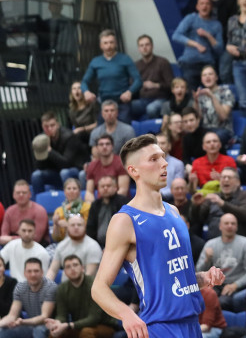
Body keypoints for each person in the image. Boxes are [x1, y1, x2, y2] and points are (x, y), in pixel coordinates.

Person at [91, 134, 225, 338]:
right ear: (133, 171)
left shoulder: (173, 211)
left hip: (191, 324)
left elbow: (174, 279)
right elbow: (99, 288)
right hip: (159, 328)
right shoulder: (125, 221)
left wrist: (203, 278)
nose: (164, 163)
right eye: (153, 159)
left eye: (162, 157)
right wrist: (126, 314)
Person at [45, 255, 117, 338]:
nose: (72, 269)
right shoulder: (62, 288)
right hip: (79, 325)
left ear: (82, 268)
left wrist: (68, 325)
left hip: (104, 325)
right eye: (68, 267)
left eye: (75, 265)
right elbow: (62, 315)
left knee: (86, 332)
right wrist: (57, 323)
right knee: (56, 333)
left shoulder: (94, 285)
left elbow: (94, 318)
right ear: (64, 272)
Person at [196, 213, 246, 312]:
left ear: (236, 227)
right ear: (220, 226)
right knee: (200, 299)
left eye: (233, 223)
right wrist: (207, 260)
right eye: (226, 223)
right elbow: (199, 271)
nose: (229, 226)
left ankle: (212, 325)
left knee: (220, 302)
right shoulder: (210, 244)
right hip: (214, 284)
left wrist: (235, 285)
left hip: (235, 285)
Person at [81, 30, 142, 124]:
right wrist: (86, 92)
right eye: (105, 43)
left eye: (111, 42)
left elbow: (138, 80)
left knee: (125, 134)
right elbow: (84, 82)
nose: (108, 46)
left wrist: (130, 92)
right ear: (101, 45)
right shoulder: (95, 62)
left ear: (116, 44)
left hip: (122, 103)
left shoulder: (125, 59)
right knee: (102, 135)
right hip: (104, 104)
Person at [172, 0, 224, 89]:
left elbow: (220, 50)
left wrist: (208, 35)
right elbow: (176, 36)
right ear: (197, 7)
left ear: (211, 7)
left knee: (211, 92)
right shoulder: (191, 18)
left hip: (207, 63)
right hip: (189, 63)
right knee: (193, 94)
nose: (204, 6)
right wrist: (196, 45)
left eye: (207, 4)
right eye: (202, 4)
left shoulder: (216, 25)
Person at [0, 258, 56, 338]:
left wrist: (23, 322)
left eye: (36, 271)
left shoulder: (50, 287)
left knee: (39, 330)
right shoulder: (20, 287)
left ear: (42, 272)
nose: (33, 274)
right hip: (31, 325)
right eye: (29, 271)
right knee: (3, 332)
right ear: (24, 273)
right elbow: (12, 315)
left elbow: (44, 317)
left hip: (50, 325)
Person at [34, 111, 89, 191]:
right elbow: (39, 167)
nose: (49, 129)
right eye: (46, 126)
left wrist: (50, 150)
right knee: (36, 175)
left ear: (58, 125)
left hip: (75, 169)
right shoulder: (41, 139)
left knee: (64, 172)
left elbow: (66, 163)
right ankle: (37, 202)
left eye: (52, 125)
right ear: (42, 126)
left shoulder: (69, 136)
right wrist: (42, 152)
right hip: (55, 172)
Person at [46, 215, 102, 281]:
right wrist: (46, 287)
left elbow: (90, 274)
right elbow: (52, 271)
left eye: (79, 225)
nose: (76, 227)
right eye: (72, 225)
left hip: (87, 288)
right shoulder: (62, 246)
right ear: (68, 228)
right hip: (66, 289)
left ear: (85, 227)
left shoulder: (93, 246)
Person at [207, 0, 238, 84]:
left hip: (226, 42)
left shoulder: (231, 0)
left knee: (224, 73)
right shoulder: (204, 0)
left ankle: (228, 97)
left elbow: (234, 23)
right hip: (208, 43)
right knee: (209, 73)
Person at [132, 34, 173, 119]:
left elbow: (172, 85)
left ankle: (155, 131)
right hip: (142, 99)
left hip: (161, 98)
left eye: (147, 45)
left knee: (151, 109)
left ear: (152, 46)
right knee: (125, 108)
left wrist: (156, 85)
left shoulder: (162, 62)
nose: (144, 48)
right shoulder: (136, 65)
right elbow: (131, 85)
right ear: (139, 49)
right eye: (141, 45)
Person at [193, 66, 235, 145]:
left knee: (212, 139)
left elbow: (223, 116)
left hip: (223, 130)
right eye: (204, 75)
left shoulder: (226, 92)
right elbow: (198, 118)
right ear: (201, 79)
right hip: (205, 129)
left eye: (210, 74)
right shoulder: (201, 95)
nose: (207, 77)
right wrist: (196, 101)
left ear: (216, 77)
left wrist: (212, 96)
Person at [0, 181, 49, 246]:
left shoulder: (40, 211)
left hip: (36, 246)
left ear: (30, 194)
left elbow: (36, 239)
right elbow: (3, 237)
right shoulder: (9, 211)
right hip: (13, 247)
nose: (21, 195)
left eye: (24, 192)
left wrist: (11, 239)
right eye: (18, 193)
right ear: (13, 195)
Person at [86, 134, 131, 201]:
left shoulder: (120, 163)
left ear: (112, 146)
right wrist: (94, 206)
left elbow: (123, 190)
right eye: (101, 144)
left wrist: (108, 204)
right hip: (102, 204)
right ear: (97, 148)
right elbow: (89, 192)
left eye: (107, 144)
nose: (104, 147)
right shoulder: (92, 166)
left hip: (120, 204)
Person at [50, 178, 90, 243]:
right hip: (63, 243)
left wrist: (68, 225)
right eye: (68, 188)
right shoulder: (59, 210)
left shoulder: (87, 207)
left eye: (74, 188)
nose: (71, 191)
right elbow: (56, 238)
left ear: (79, 191)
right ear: (64, 192)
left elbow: (90, 232)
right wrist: (56, 224)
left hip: (83, 242)